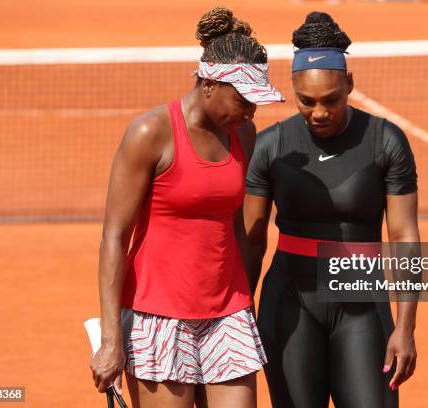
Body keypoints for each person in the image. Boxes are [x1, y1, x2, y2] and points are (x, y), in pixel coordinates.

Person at [90, 7, 284, 408]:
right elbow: (114, 237)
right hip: (158, 316)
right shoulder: (150, 133)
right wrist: (111, 340)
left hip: (227, 312)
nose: (251, 111)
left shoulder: (243, 133)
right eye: (243, 99)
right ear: (210, 84)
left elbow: (232, 222)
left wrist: (244, 300)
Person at [244, 12, 419, 408]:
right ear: (292, 88)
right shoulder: (271, 146)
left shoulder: (386, 141)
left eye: (331, 100)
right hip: (289, 304)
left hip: (362, 307)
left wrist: (406, 327)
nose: (319, 112)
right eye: (306, 101)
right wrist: (239, 319)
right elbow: (251, 243)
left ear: (350, 84)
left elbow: (404, 236)